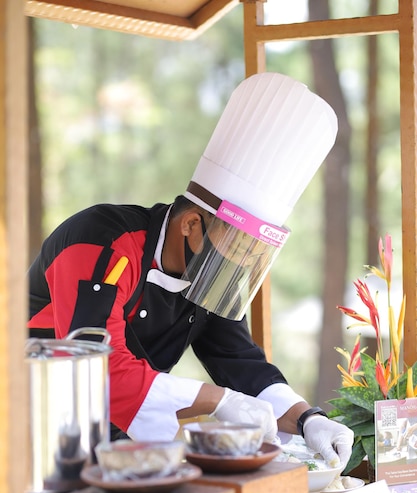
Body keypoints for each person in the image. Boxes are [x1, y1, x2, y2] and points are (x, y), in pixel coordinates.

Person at [27, 72, 354, 470]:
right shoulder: (101, 241)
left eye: (256, 251)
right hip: (32, 419)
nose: (246, 260)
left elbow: (240, 362)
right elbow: (93, 367)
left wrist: (308, 420)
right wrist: (220, 402)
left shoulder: (213, 274)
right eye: (239, 244)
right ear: (191, 224)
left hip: (114, 438)